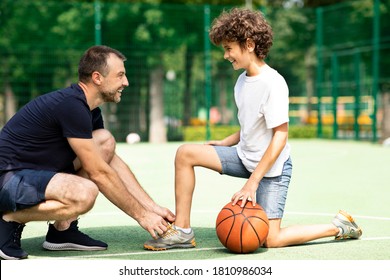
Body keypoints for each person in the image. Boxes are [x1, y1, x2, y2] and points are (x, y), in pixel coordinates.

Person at [143, 7, 362, 251]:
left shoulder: (273, 83)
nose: (226, 56)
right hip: (243, 156)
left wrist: (252, 183)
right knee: (185, 153)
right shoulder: (241, 81)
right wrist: (226, 142)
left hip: (272, 168)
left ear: (248, 44)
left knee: (271, 239)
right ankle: (183, 232)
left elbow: (279, 136)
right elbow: (251, 126)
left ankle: (339, 226)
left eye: (228, 49)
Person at [0, 45, 175, 260]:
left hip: (32, 176)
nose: (126, 82)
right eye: (120, 75)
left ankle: (62, 232)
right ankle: (10, 219)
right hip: (8, 179)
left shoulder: (89, 110)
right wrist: (143, 217)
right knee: (84, 193)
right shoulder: (71, 105)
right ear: (97, 77)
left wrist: (152, 208)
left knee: (104, 142)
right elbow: (99, 173)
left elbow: (110, 163)